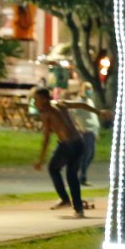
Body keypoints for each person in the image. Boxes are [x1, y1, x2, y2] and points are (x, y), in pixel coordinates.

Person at [32, 87, 99, 216]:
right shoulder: (61, 104)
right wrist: (98, 112)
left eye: (36, 99)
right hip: (80, 143)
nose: (35, 103)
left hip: (67, 145)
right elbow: (81, 105)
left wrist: (40, 160)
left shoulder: (46, 113)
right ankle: (79, 210)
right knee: (72, 176)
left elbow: (46, 139)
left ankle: (65, 200)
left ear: (45, 99)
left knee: (53, 168)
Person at [71, 83, 102, 186]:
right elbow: (73, 116)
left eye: (90, 89)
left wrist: (96, 131)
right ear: (82, 89)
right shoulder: (78, 102)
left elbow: (93, 117)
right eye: (87, 89)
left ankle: (81, 176)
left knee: (90, 155)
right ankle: (81, 177)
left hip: (92, 131)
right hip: (86, 132)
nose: (89, 91)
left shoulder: (89, 101)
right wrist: (79, 128)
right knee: (86, 155)